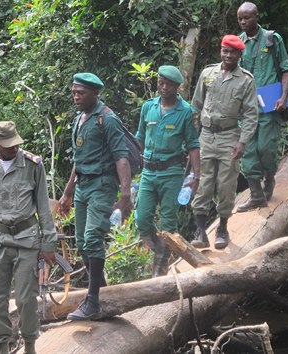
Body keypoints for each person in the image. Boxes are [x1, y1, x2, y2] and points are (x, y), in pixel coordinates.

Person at [0, 121, 57, 354]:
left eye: (15, 143)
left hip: (27, 240)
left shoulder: (32, 164)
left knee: (26, 299)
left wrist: (49, 243)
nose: (13, 148)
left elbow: (44, 208)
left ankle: (30, 345)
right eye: (7, 145)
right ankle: (1, 347)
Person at [58, 73, 133, 320]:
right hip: (82, 186)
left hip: (102, 185)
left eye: (81, 93)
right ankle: (100, 289)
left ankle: (93, 301)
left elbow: (121, 157)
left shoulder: (107, 119)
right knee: (81, 243)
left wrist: (125, 195)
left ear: (95, 93)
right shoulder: (80, 118)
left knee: (92, 238)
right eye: (74, 92)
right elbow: (78, 161)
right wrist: (67, 193)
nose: (76, 97)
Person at [190, 35, 259, 249]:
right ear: (221, 51)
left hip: (229, 136)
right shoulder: (207, 73)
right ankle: (200, 231)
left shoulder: (246, 80)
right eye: (225, 51)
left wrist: (243, 142)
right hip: (206, 137)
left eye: (233, 52)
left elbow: (251, 114)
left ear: (240, 54)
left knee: (227, 185)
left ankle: (223, 227)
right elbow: (196, 105)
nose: (228, 55)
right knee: (202, 183)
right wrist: (192, 138)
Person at [134, 65, 200, 276]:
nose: (164, 87)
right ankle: (163, 251)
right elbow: (140, 138)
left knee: (169, 223)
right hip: (148, 172)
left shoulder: (186, 112)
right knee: (142, 219)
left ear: (177, 87)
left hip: (171, 173)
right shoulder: (148, 107)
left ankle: (159, 268)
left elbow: (192, 145)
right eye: (161, 82)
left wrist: (195, 176)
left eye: (169, 84)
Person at [236, 1, 288, 211]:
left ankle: (269, 178)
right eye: (240, 18)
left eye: (247, 17)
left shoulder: (272, 39)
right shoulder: (238, 44)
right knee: (248, 150)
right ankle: (256, 195)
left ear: (257, 17)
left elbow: (286, 69)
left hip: (270, 103)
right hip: (247, 107)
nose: (243, 22)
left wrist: (283, 95)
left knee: (266, 147)